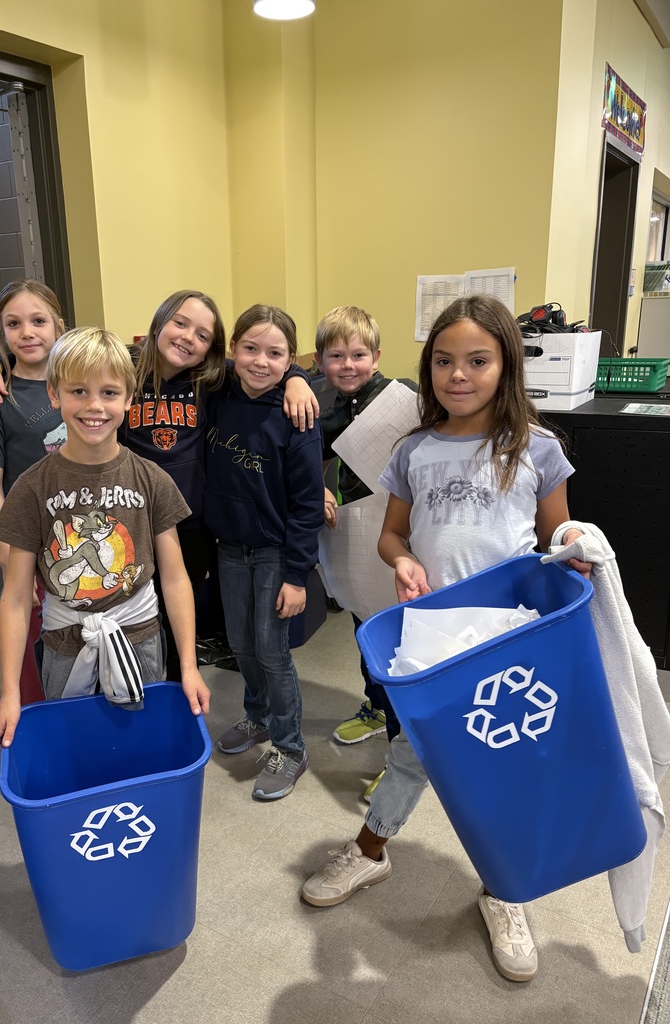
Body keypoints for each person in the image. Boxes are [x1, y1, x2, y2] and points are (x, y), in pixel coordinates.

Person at [301, 295, 592, 983]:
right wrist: (401, 560)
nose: (458, 374)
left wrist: (576, 541)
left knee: (506, 765)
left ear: (506, 365)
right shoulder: (414, 451)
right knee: (412, 754)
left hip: (508, 640)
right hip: (433, 636)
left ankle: (504, 889)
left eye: (477, 361)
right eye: (443, 361)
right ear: (427, 367)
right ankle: (371, 852)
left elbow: (558, 532)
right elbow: (392, 534)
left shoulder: (537, 448)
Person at [0, 289, 318, 680]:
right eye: (180, 323)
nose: (189, 337)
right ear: (158, 324)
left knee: (170, 620)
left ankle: (169, 688)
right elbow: (73, 364)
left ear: (213, 349)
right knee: (117, 608)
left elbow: (259, 362)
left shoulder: (210, 380)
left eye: (203, 335)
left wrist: (297, 377)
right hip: (125, 519)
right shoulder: (126, 369)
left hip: (187, 524)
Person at [0, 327, 210, 751]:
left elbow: (176, 578)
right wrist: (10, 694)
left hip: (141, 638)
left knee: (141, 746)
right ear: (55, 394)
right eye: (78, 391)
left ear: (129, 399)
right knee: (77, 749)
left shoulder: (152, 480)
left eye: (109, 393)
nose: (94, 406)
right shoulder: (31, 489)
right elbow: (16, 598)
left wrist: (189, 665)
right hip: (64, 645)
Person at [206, 305, 325, 801]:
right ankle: (256, 718)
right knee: (241, 642)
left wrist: (297, 576)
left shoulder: (297, 414)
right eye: (249, 349)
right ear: (232, 351)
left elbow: (305, 505)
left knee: (273, 651)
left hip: (277, 553)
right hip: (230, 548)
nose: (260, 362)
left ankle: (291, 747)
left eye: (276, 354)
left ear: (290, 358)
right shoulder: (215, 395)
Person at [315, 305, 418, 799]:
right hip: (351, 531)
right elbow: (314, 460)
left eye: (359, 354)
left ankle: (404, 746)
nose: (349, 364)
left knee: (396, 642)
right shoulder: (325, 406)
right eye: (337, 356)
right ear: (321, 361)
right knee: (362, 628)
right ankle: (376, 708)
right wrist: (322, 489)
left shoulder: (404, 400)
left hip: (395, 531)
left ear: (377, 357)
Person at [0, 279, 67, 705]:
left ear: (59, 326)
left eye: (38, 320)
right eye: (14, 324)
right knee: (33, 642)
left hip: (86, 533)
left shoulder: (79, 379)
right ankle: (32, 721)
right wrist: (9, 561)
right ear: (2, 335)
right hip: (30, 545)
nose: (27, 332)